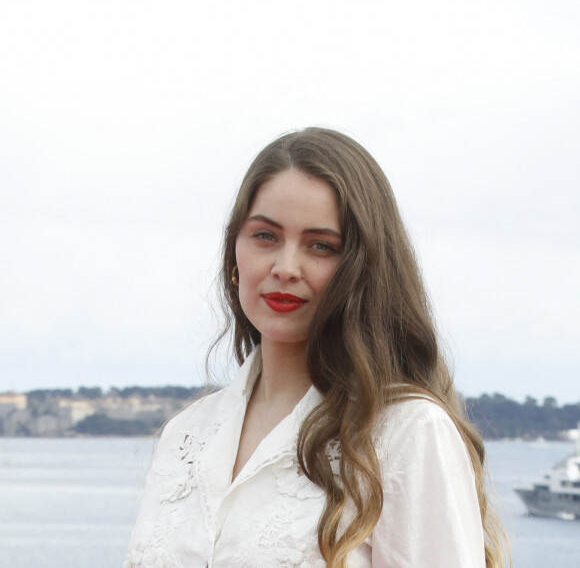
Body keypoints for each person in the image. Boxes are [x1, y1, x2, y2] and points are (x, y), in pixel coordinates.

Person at [124, 127, 509, 568]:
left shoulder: (407, 431)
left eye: (321, 246)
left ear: (362, 268)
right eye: (265, 236)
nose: (286, 268)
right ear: (234, 255)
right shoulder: (185, 435)